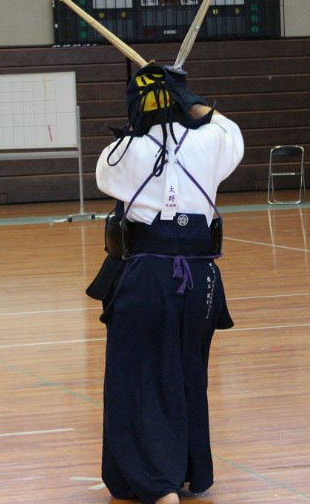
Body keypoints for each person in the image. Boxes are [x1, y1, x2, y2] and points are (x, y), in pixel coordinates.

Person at [94, 65, 242, 504]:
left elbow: (106, 177)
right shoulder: (212, 141)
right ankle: (187, 472)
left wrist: (146, 117)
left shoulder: (122, 151)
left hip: (149, 278)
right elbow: (229, 130)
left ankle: (157, 482)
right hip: (202, 282)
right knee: (187, 372)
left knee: (141, 377)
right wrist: (188, 96)